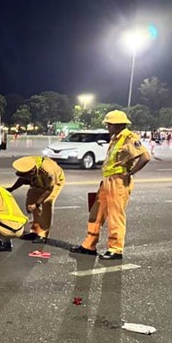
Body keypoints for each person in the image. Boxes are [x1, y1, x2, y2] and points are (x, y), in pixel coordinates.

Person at [71, 110, 151, 260]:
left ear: (118, 125)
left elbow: (145, 157)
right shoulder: (115, 138)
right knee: (96, 213)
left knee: (115, 216)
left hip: (119, 181)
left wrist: (130, 173)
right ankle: (89, 245)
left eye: (109, 124)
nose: (107, 127)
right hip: (107, 180)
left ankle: (115, 249)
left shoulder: (129, 138)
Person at [7, 156, 65, 244]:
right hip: (38, 181)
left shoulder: (48, 172)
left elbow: (48, 189)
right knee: (30, 201)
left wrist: (36, 205)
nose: (26, 179)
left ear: (32, 172)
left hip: (53, 184)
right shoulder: (29, 165)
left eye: (27, 176)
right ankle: (35, 230)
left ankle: (43, 234)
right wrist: (12, 189)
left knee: (46, 202)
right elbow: (22, 179)